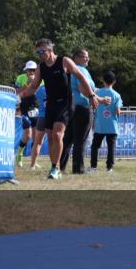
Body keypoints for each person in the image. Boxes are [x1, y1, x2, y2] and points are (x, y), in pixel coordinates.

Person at [19, 39, 103, 180]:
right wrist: (18, 97)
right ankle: (56, 166)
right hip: (50, 104)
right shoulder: (41, 67)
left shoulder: (64, 61)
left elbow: (81, 78)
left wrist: (91, 95)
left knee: (58, 134)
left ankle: (54, 169)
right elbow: (33, 87)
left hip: (66, 103)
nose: (40, 54)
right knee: (51, 137)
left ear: (50, 50)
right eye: (38, 52)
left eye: (42, 51)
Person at [60, 48, 95, 174]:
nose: (87, 58)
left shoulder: (73, 69)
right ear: (75, 57)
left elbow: (90, 90)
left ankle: (60, 167)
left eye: (88, 56)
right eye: (84, 56)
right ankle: (78, 169)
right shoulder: (80, 70)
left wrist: (99, 99)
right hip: (82, 109)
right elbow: (83, 88)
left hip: (72, 108)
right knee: (80, 140)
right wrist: (92, 98)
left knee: (67, 139)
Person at [91, 70, 123, 173]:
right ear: (114, 82)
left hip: (99, 125)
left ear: (103, 80)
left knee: (95, 146)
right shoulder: (117, 95)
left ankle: (93, 167)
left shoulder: (97, 93)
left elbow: (92, 105)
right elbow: (118, 111)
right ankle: (109, 168)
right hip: (112, 126)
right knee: (111, 148)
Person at [14, 61, 40, 167]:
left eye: (34, 70)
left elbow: (42, 91)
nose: (32, 72)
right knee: (27, 134)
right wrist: (27, 84)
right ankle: (19, 154)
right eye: (30, 70)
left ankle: (34, 160)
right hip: (24, 107)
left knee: (35, 135)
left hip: (35, 107)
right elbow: (16, 91)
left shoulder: (40, 78)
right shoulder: (20, 78)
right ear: (26, 70)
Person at [29, 82, 48, 170]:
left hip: (41, 118)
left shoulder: (39, 89)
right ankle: (55, 166)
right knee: (55, 142)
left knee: (37, 142)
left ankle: (32, 165)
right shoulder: (53, 87)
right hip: (52, 117)